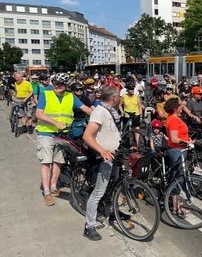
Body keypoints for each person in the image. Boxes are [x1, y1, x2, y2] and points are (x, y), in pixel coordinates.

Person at [36, 73, 92, 206]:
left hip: (63, 135)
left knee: (58, 161)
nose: (57, 86)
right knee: (46, 162)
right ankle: (47, 192)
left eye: (61, 84)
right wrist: (54, 122)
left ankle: (54, 187)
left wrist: (101, 116)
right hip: (46, 133)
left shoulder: (70, 96)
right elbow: (38, 113)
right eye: (55, 83)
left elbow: (85, 108)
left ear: (66, 85)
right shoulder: (46, 94)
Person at [82, 86, 122, 241]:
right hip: (104, 158)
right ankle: (89, 226)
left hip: (114, 156)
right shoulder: (100, 112)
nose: (120, 98)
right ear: (113, 99)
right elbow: (87, 136)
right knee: (98, 192)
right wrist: (103, 151)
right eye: (118, 96)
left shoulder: (109, 111)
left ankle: (111, 211)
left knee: (114, 186)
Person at [164, 97, 195, 217]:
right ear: (175, 108)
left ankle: (176, 205)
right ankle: (175, 207)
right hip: (177, 151)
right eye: (180, 105)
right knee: (177, 178)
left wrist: (188, 140)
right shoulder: (173, 120)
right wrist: (187, 143)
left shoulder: (175, 118)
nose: (182, 107)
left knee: (178, 176)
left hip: (180, 150)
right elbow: (174, 138)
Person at [118, 83, 143, 148]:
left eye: (133, 89)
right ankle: (127, 143)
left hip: (135, 114)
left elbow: (140, 105)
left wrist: (140, 113)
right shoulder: (124, 96)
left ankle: (137, 144)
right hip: (127, 114)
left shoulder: (136, 96)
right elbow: (120, 105)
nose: (132, 90)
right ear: (128, 90)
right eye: (131, 89)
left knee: (136, 129)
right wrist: (122, 112)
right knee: (127, 129)